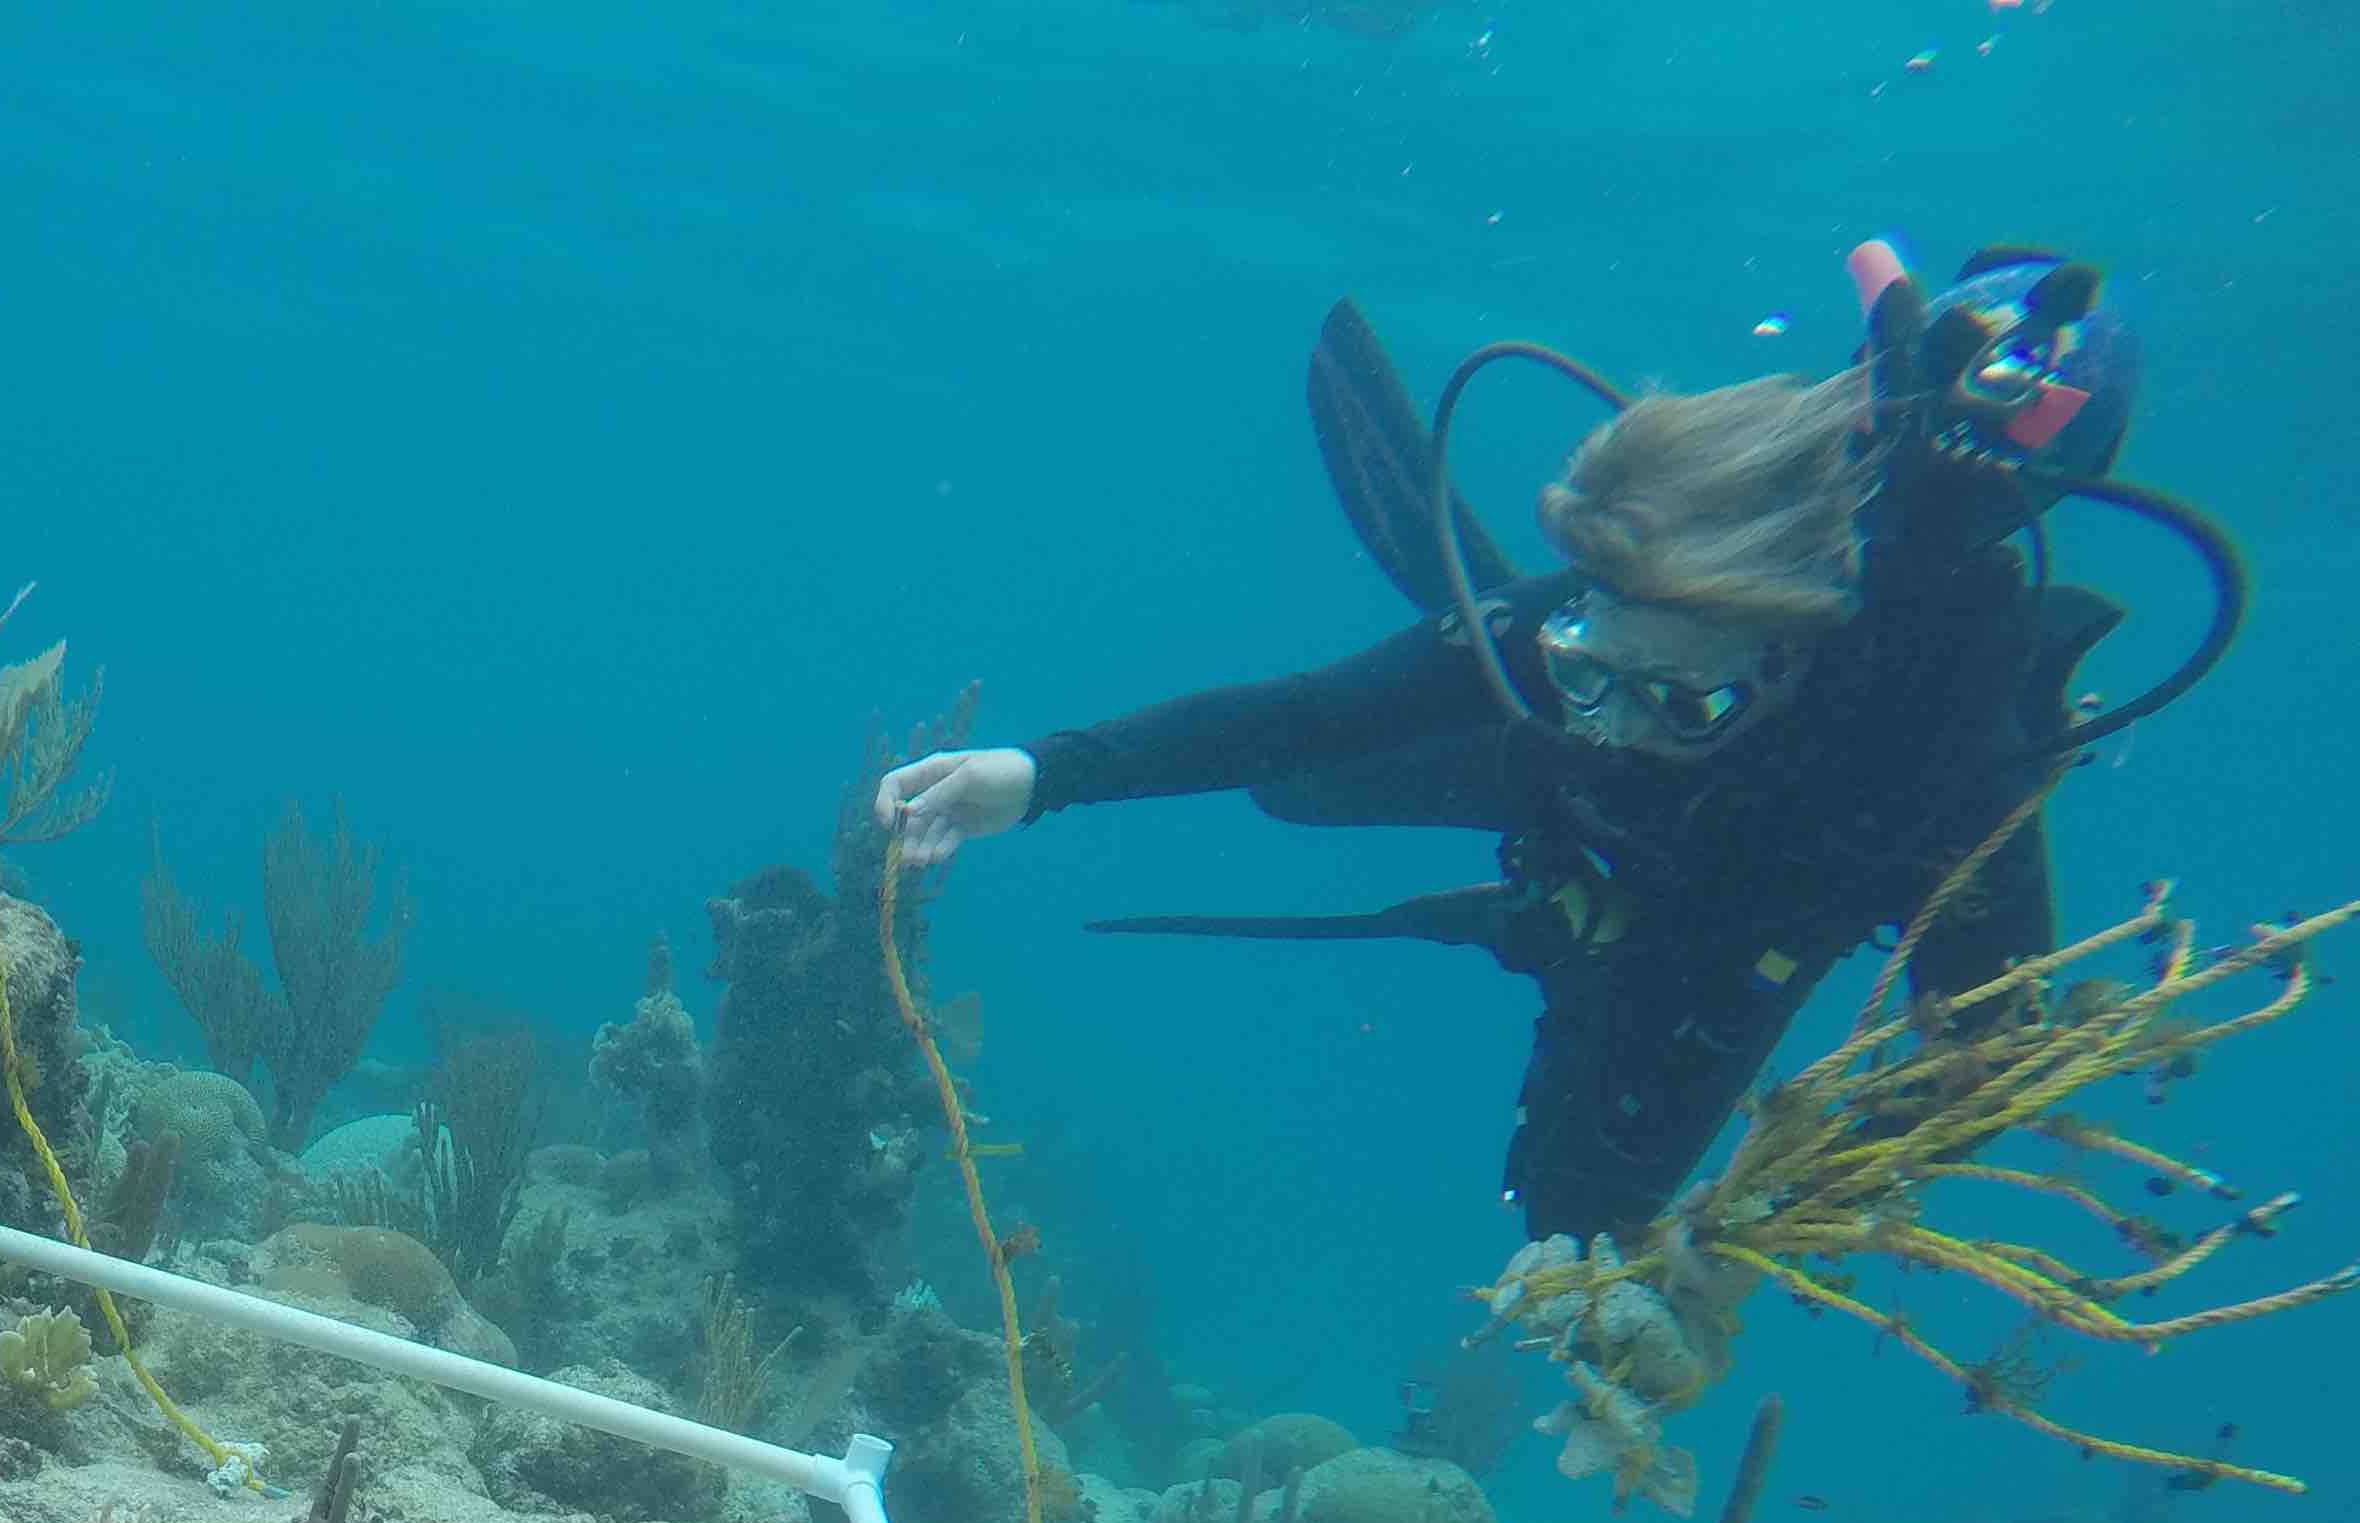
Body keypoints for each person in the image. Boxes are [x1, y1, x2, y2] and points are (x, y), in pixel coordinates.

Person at [877, 245, 2242, 1244]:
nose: (1602, 689)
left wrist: (1777, 1196)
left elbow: (1987, 1050)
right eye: (1590, 630)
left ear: (1784, 653)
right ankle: (1478, 664)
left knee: (1580, 1215)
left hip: (1729, 926)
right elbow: (1294, 710)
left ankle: (1549, 897)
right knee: (1316, 771)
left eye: (1667, 691)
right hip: (1545, 792)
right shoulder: (1586, 636)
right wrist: (1041, 775)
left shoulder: (1947, 760)